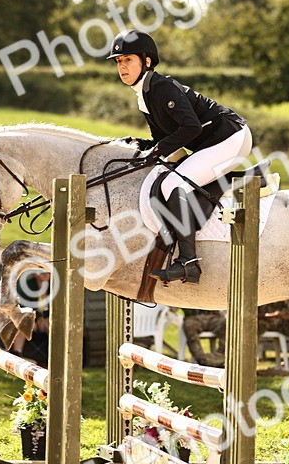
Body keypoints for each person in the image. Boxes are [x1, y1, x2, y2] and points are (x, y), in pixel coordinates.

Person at [108, 29, 253, 284]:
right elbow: (163, 139)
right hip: (215, 141)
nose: (122, 67)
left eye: (128, 60)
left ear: (147, 61)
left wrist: (158, 150)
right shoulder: (145, 94)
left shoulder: (161, 87)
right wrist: (138, 146)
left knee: (172, 183)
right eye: (119, 62)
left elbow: (191, 128)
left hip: (229, 137)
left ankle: (189, 262)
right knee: (165, 178)